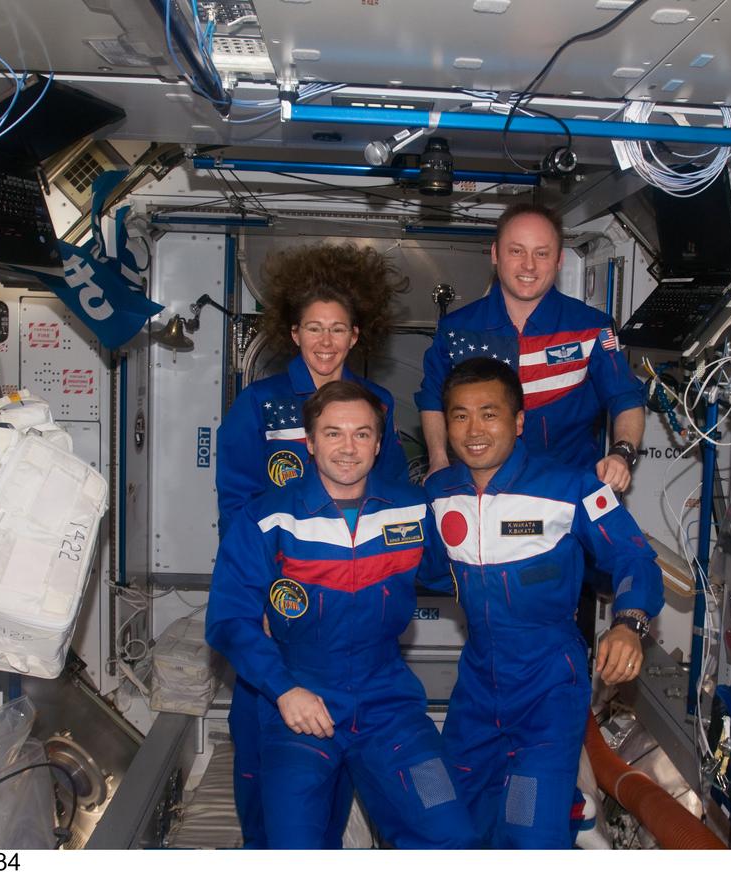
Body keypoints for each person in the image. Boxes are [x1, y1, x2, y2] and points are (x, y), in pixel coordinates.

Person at [207, 381, 474, 849]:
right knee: (293, 848)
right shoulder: (268, 519)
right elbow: (229, 620)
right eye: (333, 433)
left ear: (379, 442)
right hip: (300, 704)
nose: (348, 448)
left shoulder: (411, 511)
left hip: (388, 704)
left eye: (362, 434)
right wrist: (283, 690)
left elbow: (456, 571)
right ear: (310, 443)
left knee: (450, 832)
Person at [213, 242, 408, 847]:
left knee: (325, 789)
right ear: (294, 333)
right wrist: (262, 609)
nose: (326, 342)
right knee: (262, 780)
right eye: (314, 328)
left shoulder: (377, 408)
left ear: (356, 336)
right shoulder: (258, 405)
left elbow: (397, 509)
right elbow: (235, 512)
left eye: (339, 329)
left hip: (344, 626)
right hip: (278, 616)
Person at [425, 357, 664, 848]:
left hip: (548, 683)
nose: (473, 429)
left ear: (517, 421)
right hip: (477, 681)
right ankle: (570, 809)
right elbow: (410, 568)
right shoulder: (437, 493)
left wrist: (628, 624)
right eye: (459, 415)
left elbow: (634, 559)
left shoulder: (572, 488)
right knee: (452, 824)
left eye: (489, 414)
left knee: (526, 827)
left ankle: (558, 814)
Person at [416, 203, 645, 490]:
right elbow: (432, 399)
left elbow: (626, 398)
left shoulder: (591, 327)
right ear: (496, 254)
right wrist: (438, 460)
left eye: (541, 253)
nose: (529, 265)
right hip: (478, 490)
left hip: (569, 489)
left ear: (559, 260)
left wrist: (621, 455)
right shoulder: (457, 329)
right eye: (516, 251)